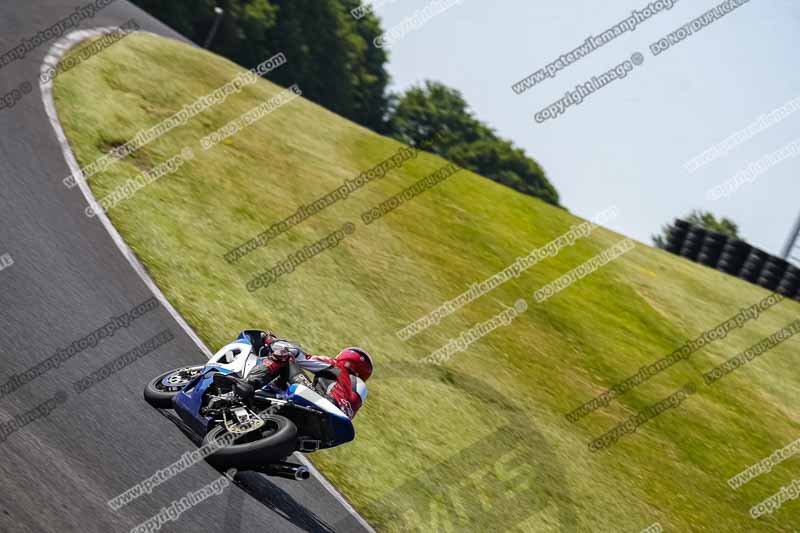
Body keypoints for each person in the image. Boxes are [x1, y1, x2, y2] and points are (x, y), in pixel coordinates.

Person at [241, 330, 372, 419]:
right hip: (328, 424)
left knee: (284, 357)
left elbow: (301, 357)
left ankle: (246, 385)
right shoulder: (355, 394)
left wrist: (270, 340)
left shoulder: (337, 367)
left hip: (321, 402)